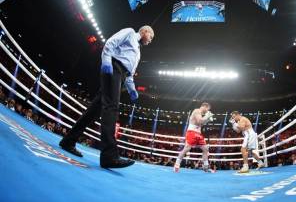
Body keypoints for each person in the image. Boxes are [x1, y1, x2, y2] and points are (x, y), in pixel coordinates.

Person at [59, 26, 154, 168]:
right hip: (113, 68)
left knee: (94, 110)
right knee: (111, 108)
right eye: (151, 37)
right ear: (145, 31)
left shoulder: (138, 53)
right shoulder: (129, 32)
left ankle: (68, 140)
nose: (151, 40)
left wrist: (132, 89)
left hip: (121, 75)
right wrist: (106, 62)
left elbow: (129, 74)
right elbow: (110, 42)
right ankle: (109, 156)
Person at [174, 102, 214, 173]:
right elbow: (199, 120)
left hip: (198, 133)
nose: (207, 111)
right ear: (204, 107)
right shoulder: (197, 111)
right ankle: (177, 164)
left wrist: (208, 119)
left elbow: (201, 123)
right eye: (208, 109)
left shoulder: (201, 114)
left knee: (205, 149)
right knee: (187, 148)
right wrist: (207, 116)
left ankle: (206, 167)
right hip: (192, 132)